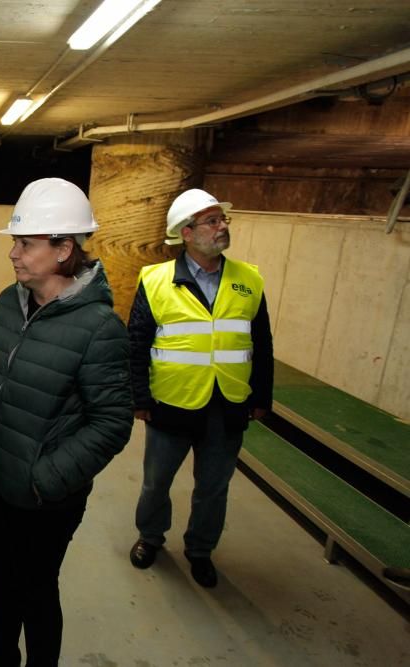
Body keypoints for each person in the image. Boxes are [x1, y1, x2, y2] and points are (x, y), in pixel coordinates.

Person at [0, 178, 133, 667]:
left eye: (25, 243)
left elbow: (113, 423)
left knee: (35, 591)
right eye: (15, 241)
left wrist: (42, 479)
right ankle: (0, 658)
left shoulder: (99, 330)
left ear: (63, 249)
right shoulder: (10, 304)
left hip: (44, 499)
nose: (13, 253)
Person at [127, 188, 273, 588]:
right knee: (157, 481)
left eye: (222, 219)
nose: (222, 226)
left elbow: (261, 341)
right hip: (170, 403)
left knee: (214, 487)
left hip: (228, 405)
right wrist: (138, 397)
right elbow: (137, 342)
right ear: (186, 233)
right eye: (212, 220)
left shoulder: (249, 279)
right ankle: (150, 537)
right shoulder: (156, 280)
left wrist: (261, 396)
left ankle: (200, 551)